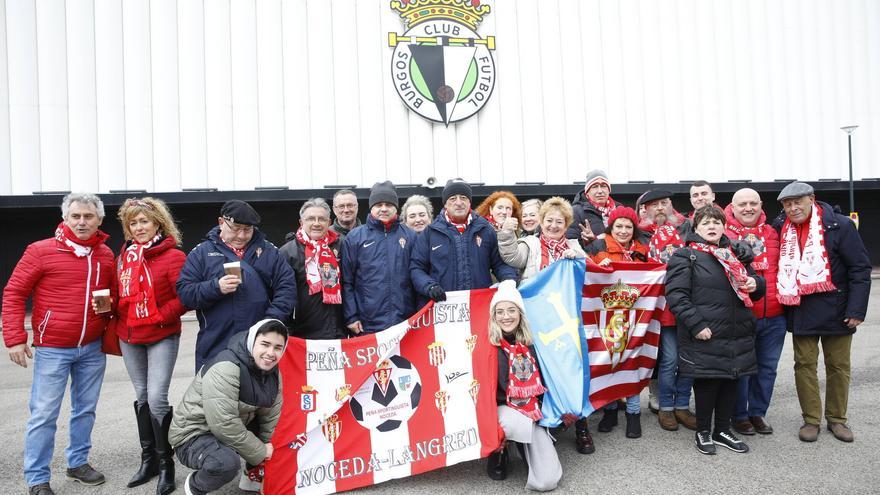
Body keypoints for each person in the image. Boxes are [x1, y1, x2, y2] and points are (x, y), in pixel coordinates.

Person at [2, 193, 115, 495]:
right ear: (65, 219)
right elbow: (13, 293)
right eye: (75, 216)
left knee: (85, 410)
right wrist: (14, 338)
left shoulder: (104, 254)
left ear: (99, 221)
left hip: (92, 348)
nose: (81, 222)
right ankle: (37, 478)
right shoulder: (40, 251)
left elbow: (111, 297)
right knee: (44, 415)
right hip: (52, 348)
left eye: (88, 216)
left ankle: (77, 463)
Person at [772, 182, 871, 443]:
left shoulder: (840, 225)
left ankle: (837, 419)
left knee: (838, 366)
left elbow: (860, 269)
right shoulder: (780, 228)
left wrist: (857, 309)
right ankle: (811, 420)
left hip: (838, 308)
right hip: (801, 307)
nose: (793, 208)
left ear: (812, 199)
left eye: (798, 202)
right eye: (787, 204)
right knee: (804, 365)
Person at [665, 205, 765, 455]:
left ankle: (722, 430)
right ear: (696, 227)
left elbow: (754, 283)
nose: (712, 227)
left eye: (717, 222)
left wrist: (757, 283)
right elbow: (676, 295)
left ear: (724, 226)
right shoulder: (685, 256)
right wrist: (697, 325)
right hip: (706, 331)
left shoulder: (733, 254)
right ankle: (703, 431)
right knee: (707, 382)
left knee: (730, 380)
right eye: (706, 222)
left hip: (735, 331)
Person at [113, 197, 188, 494]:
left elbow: (183, 298)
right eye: (133, 223)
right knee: (142, 396)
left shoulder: (173, 257)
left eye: (144, 221)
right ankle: (149, 460)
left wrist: (158, 315)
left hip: (161, 334)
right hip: (129, 334)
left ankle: (167, 464)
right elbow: (119, 294)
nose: (139, 227)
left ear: (158, 222)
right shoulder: (124, 257)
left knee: (157, 398)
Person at [170, 319, 287, 495]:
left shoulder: (274, 374)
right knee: (225, 463)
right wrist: (261, 451)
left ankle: (252, 475)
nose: (271, 353)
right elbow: (224, 424)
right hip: (193, 434)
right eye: (265, 344)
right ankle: (195, 486)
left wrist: (269, 455)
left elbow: (271, 419)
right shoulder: (226, 367)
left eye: (278, 348)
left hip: (228, 428)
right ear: (252, 341)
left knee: (270, 437)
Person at [177, 200, 296, 371]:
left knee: (258, 394)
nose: (241, 235)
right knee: (216, 394)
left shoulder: (270, 252)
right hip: (216, 341)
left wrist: (267, 323)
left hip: (259, 341)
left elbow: (287, 290)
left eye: (247, 230)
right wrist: (215, 287)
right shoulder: (201, 253)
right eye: (235, 228)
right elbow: (185, 294)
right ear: (221, 222)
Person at [486, 280, 562, 492]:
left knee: (547, 480)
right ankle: (499, 450)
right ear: (493, 316)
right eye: (499, 312)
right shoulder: (486, 346)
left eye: (511, 310)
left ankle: (524, 444)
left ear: (520, 313)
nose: (506, 316)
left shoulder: (533, 344)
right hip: (501, 411)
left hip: (531, 413)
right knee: (510, 422)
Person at [724, 189, 785, 436]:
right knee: (742, 369)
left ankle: (757, 412)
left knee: (767, 368)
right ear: (733, 207)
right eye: (743, 204)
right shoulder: (723, 235)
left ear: (761, 205)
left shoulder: (773, 233)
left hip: (775, 314)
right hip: (742, 315)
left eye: (753, 203)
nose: (748, 208)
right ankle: (738, 415)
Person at [637, 190, 696, 431]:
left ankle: (682, 404)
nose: (660, 208)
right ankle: (666, 407)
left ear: (671, 205)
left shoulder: (687, 229)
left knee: (689, 360)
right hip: (659, 308)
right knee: (669, 359)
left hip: (688, 304)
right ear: (646, 210)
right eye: (654, 205)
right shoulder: (639, 234)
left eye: (664, 203)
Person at [590, 206, 650, 439]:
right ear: (611, 227)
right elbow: (588, 273)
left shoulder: (642, 249)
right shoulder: (597, 247)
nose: (623, 231)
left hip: (635, 315)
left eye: (628, 227)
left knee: (631, 361)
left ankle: (633, 414)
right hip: (606, 315)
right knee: (609, 361)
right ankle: (611, 410)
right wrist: (599, 267)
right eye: (619, 226)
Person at [410, 179, 518, 304]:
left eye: (463, 198)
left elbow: (500, 264)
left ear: (469, 202)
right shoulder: (430, 233)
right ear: (445, 204)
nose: (459, 203)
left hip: (478, 305)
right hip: (443, 308)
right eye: (452, 199)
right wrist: (430, 286)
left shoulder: (485, 229)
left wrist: (509, 280)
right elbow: (416, 268)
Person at [341, 181, 417, 334]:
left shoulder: (410, 236)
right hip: (367, 324)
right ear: (371, 207)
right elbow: (346, 281)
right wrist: (351, 316)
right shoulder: (355, 237)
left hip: (404, 321)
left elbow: (417, 275)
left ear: (395, 207)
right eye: (379, 204)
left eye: (388, 204)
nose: (383, 209)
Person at [279, 198, 348, 339]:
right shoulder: (287, 252)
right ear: (301, 222)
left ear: (329, 223)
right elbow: (281, 293)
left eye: (321, 219)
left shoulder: (343, 246)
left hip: (339, 331)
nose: (316, 223)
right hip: (302, 334)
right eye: (311, 219)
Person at [497, 196, 585, 281]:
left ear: (566, 226)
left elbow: (588, 270)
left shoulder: (574, 245)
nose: (553, 226)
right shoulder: (530, 243)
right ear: (542, 223)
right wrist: (506, 232)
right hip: (535, 295)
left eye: (559, 222)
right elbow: (512, 257)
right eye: (549, 221)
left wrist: (577, 257)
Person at [566, 169, 623, 251]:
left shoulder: (620, 209)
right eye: (595, 186)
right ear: (587, 191)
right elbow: (571, 243)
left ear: (609, 190)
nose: (600, 191)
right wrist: (590, 241)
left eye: (603, 186)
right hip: (592, 261)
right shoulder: (576, 211)